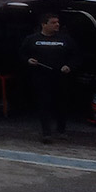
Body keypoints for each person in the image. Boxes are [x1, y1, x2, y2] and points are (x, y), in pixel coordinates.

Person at [21, 13, 80, 143]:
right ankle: (46, 133)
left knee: (62, 104)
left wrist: (69, 66)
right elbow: (21, 55)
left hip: (60, 77)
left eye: (57, 22)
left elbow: (76, 56)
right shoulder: (31, 39)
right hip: (41, 77)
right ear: (44, 24)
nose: (57, 25)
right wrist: (28, 60)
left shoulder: (66, 39)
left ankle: (61, 131)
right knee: (44, 104)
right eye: (53, 22)